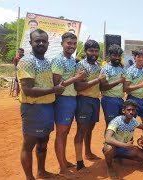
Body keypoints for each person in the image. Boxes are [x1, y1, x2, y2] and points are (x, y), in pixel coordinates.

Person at [17, 29, 65, 180]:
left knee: (43, 142)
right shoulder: (27, 61)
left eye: (44, 41)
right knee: (28, 145)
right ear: (31, 43)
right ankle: (29, 177)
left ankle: (41, 172)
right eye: (37, 40)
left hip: (47, 107)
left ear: (48, 44)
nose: (41, 43)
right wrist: (54, 90)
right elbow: (28, 89)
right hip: (33, 108)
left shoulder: (46, 61)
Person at [51, 32, 86, 178]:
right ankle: (62, 169)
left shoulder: (72, 59)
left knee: (65, 133)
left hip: (71, 99)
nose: (71, 46)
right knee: (61, 133)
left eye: (74, 44)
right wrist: (76, 78)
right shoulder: (59, 60)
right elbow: (56, 84)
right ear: (62, 44)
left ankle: (63, 161)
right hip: (63, 100)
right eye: (68, 43)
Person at [74, 40, 105, 171]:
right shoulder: (81, 65)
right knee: (81, 130)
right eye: (91, 51)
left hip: (94, 100)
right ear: (86, 51)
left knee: (90, 129)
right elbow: (78, 86)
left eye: (96, 51)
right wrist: (98, 80)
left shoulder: (98, 66)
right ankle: (79, 162)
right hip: (83, 100)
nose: (94, 53)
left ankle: (88, 152)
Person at [103, 99, 143, 179]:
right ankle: (110, 167)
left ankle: (119, 157)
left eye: (133, 110)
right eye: (129, 110)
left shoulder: (133, 121)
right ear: (123, 110)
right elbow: (107, 138)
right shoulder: (116, 121)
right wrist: (125, 145)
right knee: (109, 149)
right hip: (115, 147)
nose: (131, 112)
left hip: (125, 147)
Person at [100, 44, 125, 126]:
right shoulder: (105, 68)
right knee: (111, 125)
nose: (117, 58)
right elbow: (103, 87)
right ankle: (108, 139)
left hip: (120, 100)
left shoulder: (121, 68)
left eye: (119, 56)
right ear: (109, 56)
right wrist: (119, 81)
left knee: (119, 125)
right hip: (109, 100)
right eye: (114, 55)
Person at [124, 49, 143, 125]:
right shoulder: (130, 71)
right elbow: (126, 88)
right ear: (134, 58)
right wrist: (141, 85)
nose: (141, 59)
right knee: (130, 124)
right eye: (139, 57)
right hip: (133, 99)